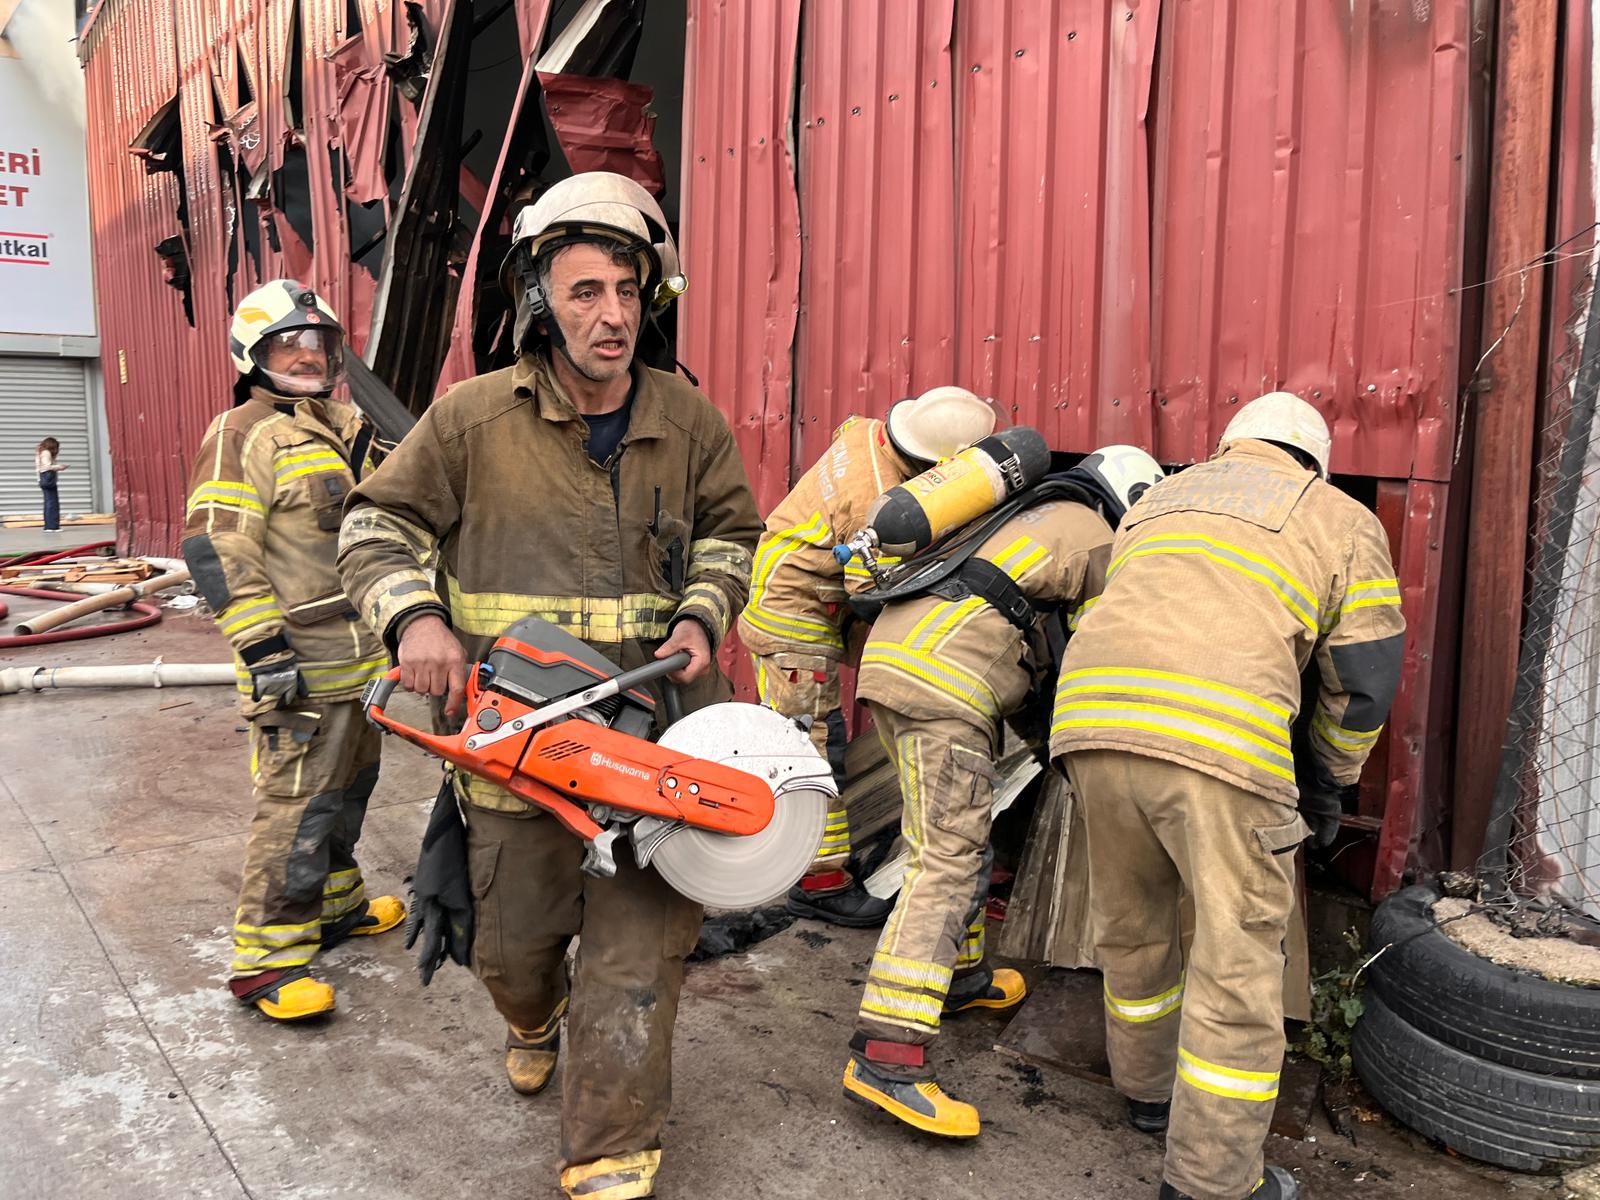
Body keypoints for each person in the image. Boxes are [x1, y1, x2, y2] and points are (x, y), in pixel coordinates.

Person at [336, 171, 761, 1200]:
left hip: (653, 751)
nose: (611, 314)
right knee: (513, 953)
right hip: (517, 755)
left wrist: (706, 609)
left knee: (634, 965)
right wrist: (416, 618)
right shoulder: (473, 421)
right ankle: (533, 1017)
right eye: (584, 291)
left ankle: (611, 1150)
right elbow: (373, 524)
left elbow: (731, 533)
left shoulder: (689, 421)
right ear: (539, 296)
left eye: (628, 288)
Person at [1051, 393, 1406, 1200]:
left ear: (1230, 444)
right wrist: (1328, 781)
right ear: (1311, 458)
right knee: (1236, 968)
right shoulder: (1338, 516)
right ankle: (1213, 1181)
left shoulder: (1163, 497)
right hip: (1221, 746)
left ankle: (1146, 1095)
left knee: (1133, 929)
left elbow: (1108, 609)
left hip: (1092, 725)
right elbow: (1365, 681)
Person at [843, 445, 1165, 1137]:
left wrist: (1039, 735)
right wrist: (1071, 745)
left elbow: (1025, 638)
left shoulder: (1035, 515)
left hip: (901, 665)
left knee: (954, 835)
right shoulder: (1105, 541)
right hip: (946, 690)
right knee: (946, 862)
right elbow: (1085, 661)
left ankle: (957, 980)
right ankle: (887, 1052)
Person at [180, 279, 405, 1022]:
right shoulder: (241, 432)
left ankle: (334, 909)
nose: (309, 355)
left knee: (345, 801)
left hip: (358, 667)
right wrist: (261, 646)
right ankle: (266, 961)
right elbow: (215, 546)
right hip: (298, 670)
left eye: (319, 342)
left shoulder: (337, 423)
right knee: (295, 811)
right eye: (290, 343)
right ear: (254, 353)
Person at [738, 389, 998, 926]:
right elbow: (868, 589)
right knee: (811, 751)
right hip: (795, 618)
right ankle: (820, 882)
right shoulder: (874, 500)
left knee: (813, 741)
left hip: (792, 599)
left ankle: (816, 869)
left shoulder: (865, 433)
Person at [36, 437, 65, 530]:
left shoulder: (41, 452)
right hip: (48, 478)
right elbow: (47, 467)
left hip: (43, 478)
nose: (57, 450)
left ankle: (49, 526)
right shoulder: (46, 453)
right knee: (52, 503)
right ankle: (52, 527)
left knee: (49, 503)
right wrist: (60, 467)